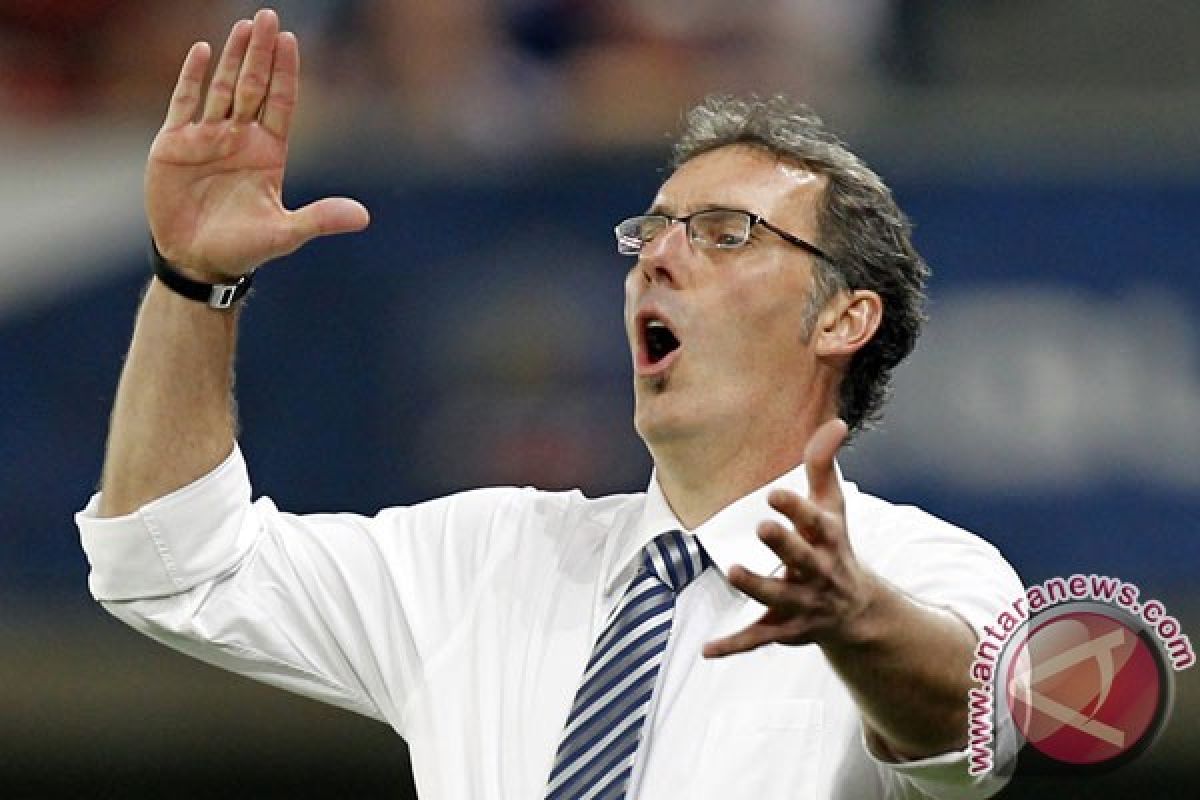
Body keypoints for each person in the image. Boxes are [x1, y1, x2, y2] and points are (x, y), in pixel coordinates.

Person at [77, 8, 1023, 799]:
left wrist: (853, 617)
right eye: (650, 231)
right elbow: (170, 563)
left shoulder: (922, 568)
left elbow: (969, 735)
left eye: (725, 233)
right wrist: (192, 282)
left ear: (844, 318)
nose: (658, 256)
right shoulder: (485, 560)